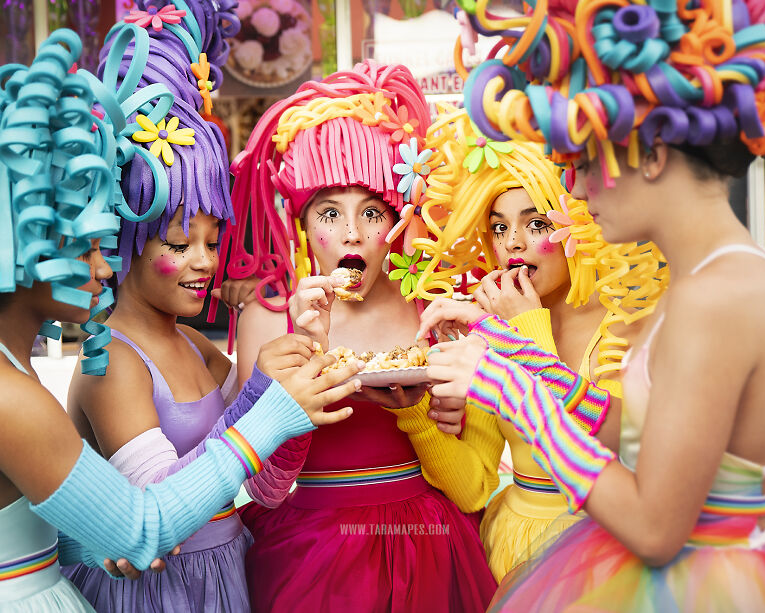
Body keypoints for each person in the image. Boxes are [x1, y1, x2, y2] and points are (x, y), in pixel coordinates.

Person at [0, 25, 359, 612]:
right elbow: (144, 530)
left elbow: (23, 530)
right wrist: (271, 411)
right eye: (87, 241)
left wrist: (90, 539)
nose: (106, 262)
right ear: (21, 246)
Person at [425, 0, 765, 609]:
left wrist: (505, 385)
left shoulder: (715, 297)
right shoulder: (710, 281)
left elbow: (653, 528)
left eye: (586, 159)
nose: (574, 187)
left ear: (650, 152)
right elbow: (629, 437)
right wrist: (517, 350)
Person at [60, 2, 347, 610]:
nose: (204, 261)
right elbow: (166, 510)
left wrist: (307, 354)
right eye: (179, 242)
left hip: (223, 576)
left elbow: (264, 485)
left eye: (213, 241)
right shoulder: (111, 358)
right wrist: (267, 400)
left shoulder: (192, 341)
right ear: (129, 237)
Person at [220, 60, 497, 612]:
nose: (351, 233)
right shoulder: (270, 317)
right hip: (313, 552)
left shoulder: (434, 305)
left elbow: (475, 466)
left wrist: (453, 406)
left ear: (398, 219)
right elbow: (263, 486)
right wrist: (305, 352)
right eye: (329, 211)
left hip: (430, 542)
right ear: (301, 222)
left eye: (372, 212)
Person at [393, 106, 665, 581]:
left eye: (536, 223)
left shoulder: (626, 324)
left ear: (578, 223)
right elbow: (474, 488)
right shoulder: (494, 330)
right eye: (499, 227)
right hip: (510, 550)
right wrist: (413, 411)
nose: (513, 243)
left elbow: (608, 448)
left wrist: (525, 328)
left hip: (599, 555)